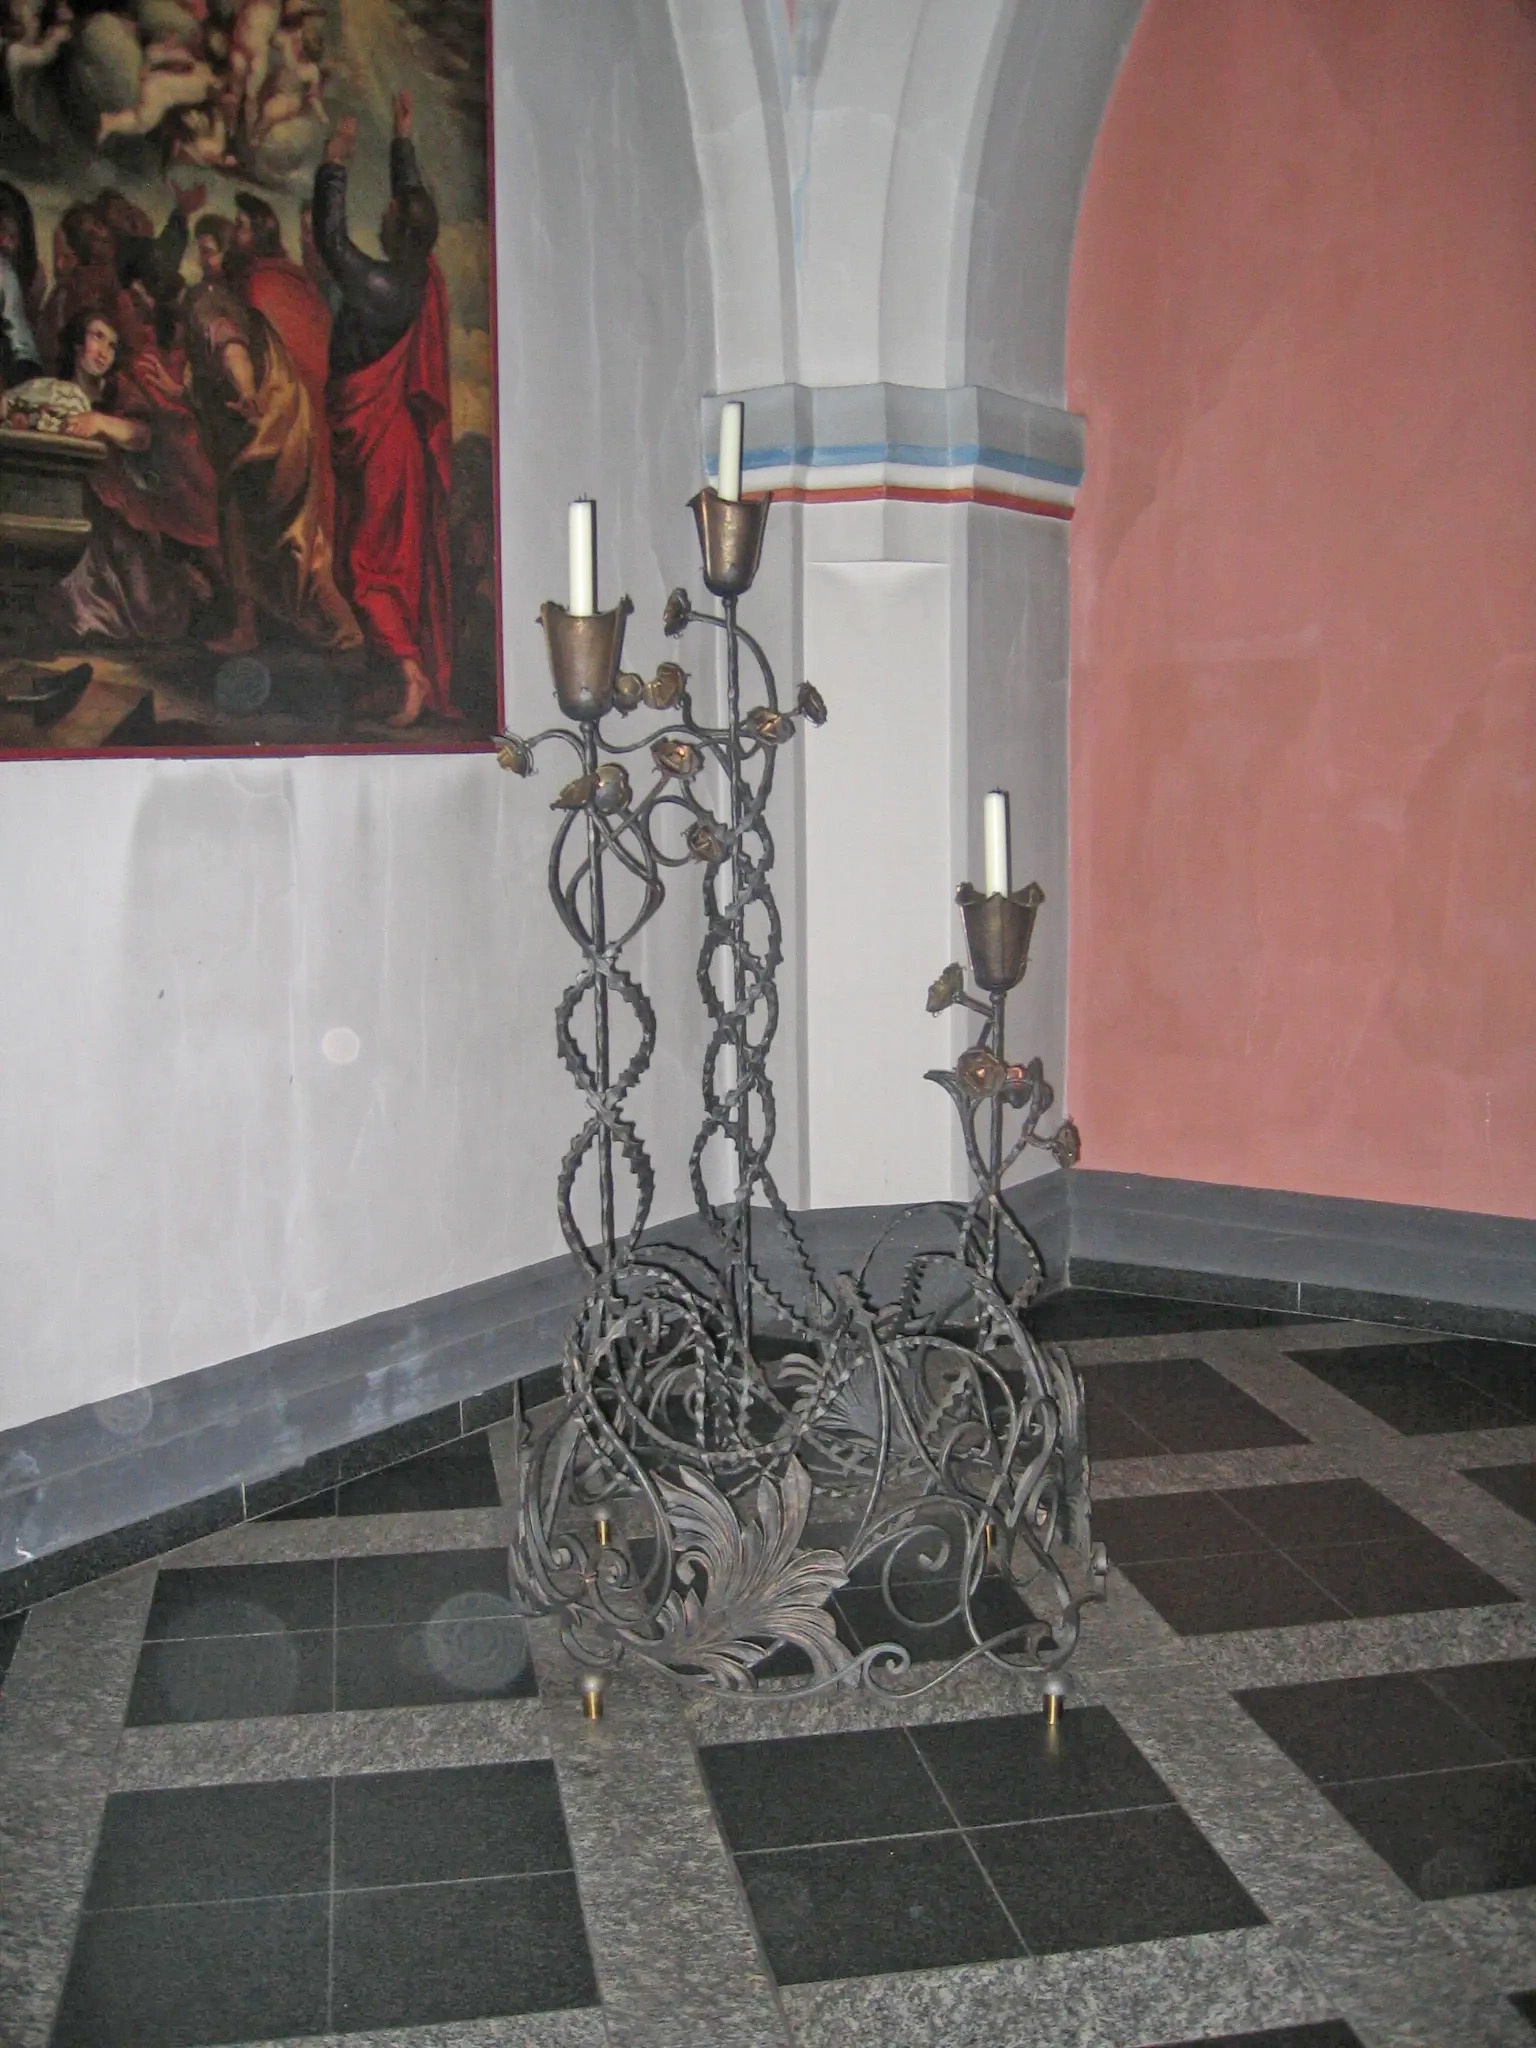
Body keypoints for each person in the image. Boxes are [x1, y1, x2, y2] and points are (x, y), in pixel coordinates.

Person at [312, 88, 451, 725]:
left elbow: (332, 243)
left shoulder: (384, 285)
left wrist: (333, 164)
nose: (387, 212)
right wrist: (401, 142)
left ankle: (409, 674)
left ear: (398, 231)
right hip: (385, 436)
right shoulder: (420, 272)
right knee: (367, 562)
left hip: (379, 440)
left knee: (368, 568)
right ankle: (392, 674)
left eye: (391, 212)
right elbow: (415, 207)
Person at [182, 265, 360, 657]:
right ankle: (252, 629)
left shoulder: (213, 319)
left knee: (293, 545)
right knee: (257, 538)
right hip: (269, 444)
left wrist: (246, 391)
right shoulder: (238, 325)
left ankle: (345, 631)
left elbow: (233, 354)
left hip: (270, 446)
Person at [50, 310, 205, 640]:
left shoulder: (118, 389)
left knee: (151, 607)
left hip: (116, 504)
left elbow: (143, 435)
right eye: (97, 337)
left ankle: (182, 576)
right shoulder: (57, 390)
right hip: (70, 496)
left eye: (112, 344)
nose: (104, 351)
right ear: (77, 342)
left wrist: (100, 422)